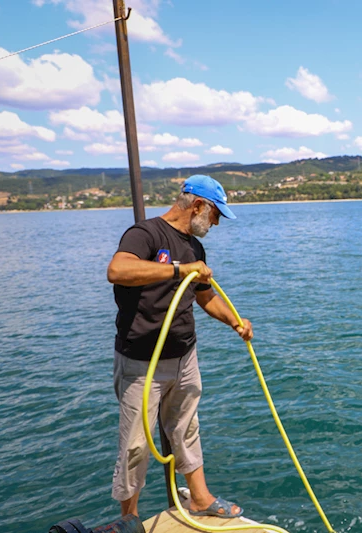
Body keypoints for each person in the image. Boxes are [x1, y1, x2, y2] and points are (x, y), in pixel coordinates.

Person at [107, 174, 253, 519]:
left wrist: (234, 321)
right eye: (216, 215)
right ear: (198, 205)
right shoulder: (145, 234)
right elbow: (118, 270)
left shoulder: (194, 247)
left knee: (186, 427)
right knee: (136, 444)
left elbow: (205, 298)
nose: (216, 223)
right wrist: (178, 270)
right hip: (142, 358)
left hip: (184, 354)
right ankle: (129, 518)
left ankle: (200, 498)